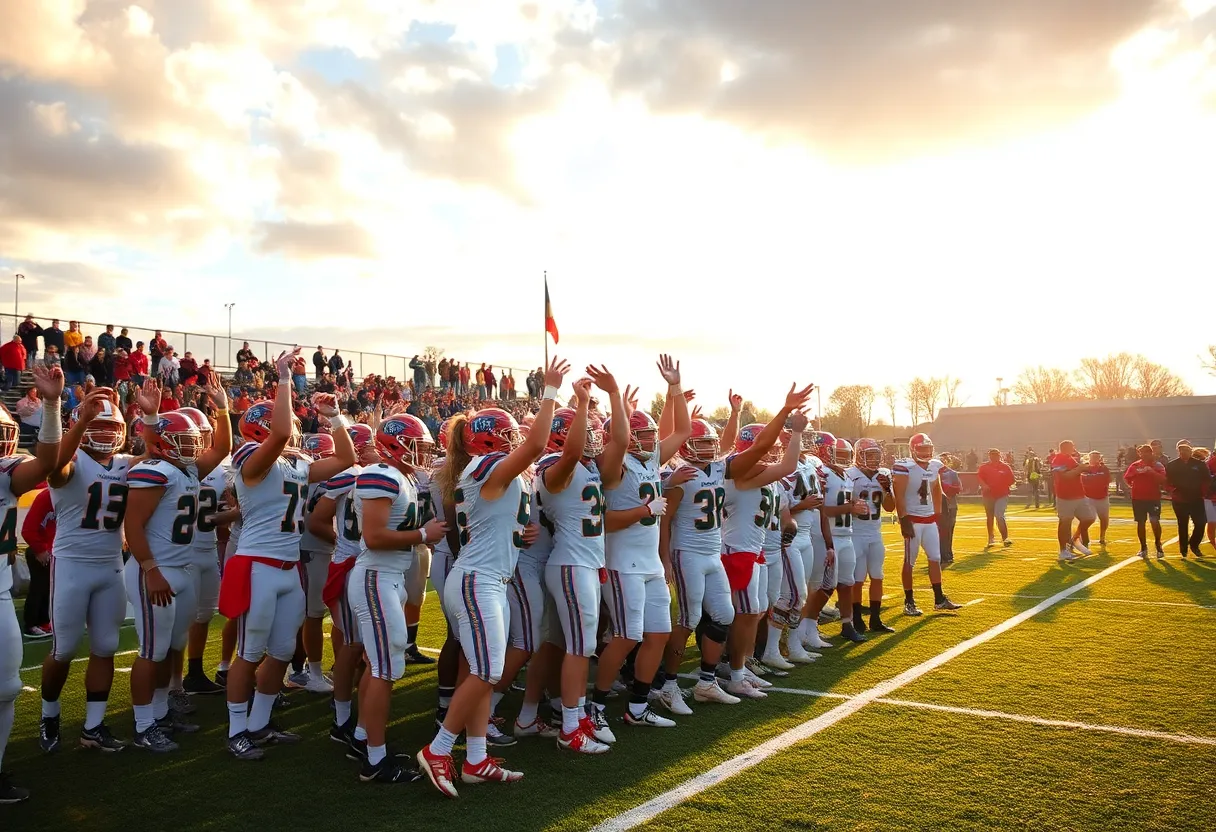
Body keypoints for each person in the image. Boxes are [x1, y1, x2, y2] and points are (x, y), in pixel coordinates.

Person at [417, 356, 569, 798]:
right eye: (507, 436)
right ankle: (440, 748)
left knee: (480, 670)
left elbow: (497, 526)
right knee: (487, 669)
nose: (514, 441)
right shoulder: (482, 467)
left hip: (488, 578)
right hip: (477, 580)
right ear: (486, 441)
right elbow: (537, 445)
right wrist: (550, 393)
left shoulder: (488, 473)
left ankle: (477, 758)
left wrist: (520, 533)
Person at [217, 349, 355, 761]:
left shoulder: (294, 465)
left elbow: (345, 459)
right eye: (288, 426)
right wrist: (281, 379)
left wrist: (335, 419)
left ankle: (259, 723)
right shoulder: (249, 460)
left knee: (279, 652)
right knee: (250, 652)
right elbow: (277, 437)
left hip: (287, 566)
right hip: (256, 565)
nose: (293, 432)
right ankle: (236, 728)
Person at [121, 382, 230, 752]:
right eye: (183, 440)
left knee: (170, 647)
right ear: (165, 442)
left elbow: (220, 448)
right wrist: (150, 569)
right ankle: (142, 726)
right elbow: (132, 525)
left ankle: (159, 712)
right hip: (159, 571)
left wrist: (222, 409)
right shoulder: (154, 471)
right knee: (152, 650)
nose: (193, 446)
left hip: (181, 569)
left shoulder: (184, 471)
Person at [594, 360, 693, 730]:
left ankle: (637, 706)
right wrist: (643, 510)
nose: (652, 441)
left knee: (659, 634)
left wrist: (676, 387)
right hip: (621, 562)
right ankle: (597, 708)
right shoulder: (614, 463)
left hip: (648, 561)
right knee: (626, 636)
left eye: (652, 435)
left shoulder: (649, 459)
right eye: (645, 435)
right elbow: (603, 522)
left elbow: (683, 429)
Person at [347, 414, 444, 782]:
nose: (422, 451)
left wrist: (421, 535)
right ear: (393, 443)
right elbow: (373, 537)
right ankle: (374, 762)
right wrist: (421, 534)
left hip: (389, 577)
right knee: (385, 668)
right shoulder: (380, 474)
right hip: (375, 577)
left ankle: (362, 738)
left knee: (380, 665)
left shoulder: (400, 476)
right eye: (417, 444)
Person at [38, 378, 131, 754]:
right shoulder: (71, 463)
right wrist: (79, 421)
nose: (106, 433)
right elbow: (54, 466)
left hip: (111, 566)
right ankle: (49, 714)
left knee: (106, 647)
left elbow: (163, 459)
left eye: (112, 426)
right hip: (73, 565)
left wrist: (154, 416)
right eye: (98, 425)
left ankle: (93, 726)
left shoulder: (127, 465)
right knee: (63, 649)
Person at [537, 368, 626, 752]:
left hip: (586, 564)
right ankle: (570, 727)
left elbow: (620, 440)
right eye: (585, 430)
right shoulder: (551, 469)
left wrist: (615, 395)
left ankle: (574, 716)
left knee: (579, 646)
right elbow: (571, 452)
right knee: (579, 648)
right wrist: (582, 402)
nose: (594, 439)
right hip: (571, 564)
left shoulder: (590, 468)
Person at [0, 364, 66, 803]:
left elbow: (47, 460)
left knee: (6, 686)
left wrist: (51, 404)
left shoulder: (7, 472)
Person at [180, 406, 236, 696]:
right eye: (195, 435)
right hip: (180, 552)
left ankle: (195, 672)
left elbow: (226, 512)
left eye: (204, 434)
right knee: (178, 622)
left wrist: (221, 515)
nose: (199, 441)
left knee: (203, 615)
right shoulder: (173, 467)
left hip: (208, 548)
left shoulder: (219, 469)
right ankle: (171, 685)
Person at [893, 433, 962, 615]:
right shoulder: (905, 467)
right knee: (910, 562)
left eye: (928, 449)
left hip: (930, 519)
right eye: (922, 449)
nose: (925, 453)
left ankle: (939, 599)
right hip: (913, 520)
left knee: (935, 558)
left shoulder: (935, 465)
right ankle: (909, 602)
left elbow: (937, 488)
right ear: (913, 449)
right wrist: (903, 519)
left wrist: (938, 514)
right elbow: (898, 495)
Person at [843, 438, 896, 636]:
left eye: (876, 455)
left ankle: (875, 618)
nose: (874, 459)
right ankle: (856, 617)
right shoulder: (850, 475)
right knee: (857, 579)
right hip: (856, 533)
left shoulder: (883, 474)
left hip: (875, 532)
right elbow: (843, 503)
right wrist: (852, 506)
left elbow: (890, 507)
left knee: (878, 576)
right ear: (858, 455)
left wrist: (887, 489)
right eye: (869, 455)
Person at [1050, 440, 1095, 563]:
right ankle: (1063, 550)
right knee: (1065, 522)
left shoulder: (1070, 458)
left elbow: (1078, 471)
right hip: (1065, 496)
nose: (1074, 448)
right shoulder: (1058, 459)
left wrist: (1087, 467)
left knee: (1089, 518)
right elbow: (1065, 476)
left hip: (1079, 494)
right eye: (1071, 447)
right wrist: (1080, 468)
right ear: (1065, 448)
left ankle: (1074, 539)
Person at [1165, 440, 1210, 559]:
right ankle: (1183, 549)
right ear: (1178, 452)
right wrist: (1172, 491)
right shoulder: (1173, 465)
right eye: (1181, 451)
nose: (1183, 453)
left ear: (1191, 451)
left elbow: (1207, 480)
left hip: (1196, 498)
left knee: (1201, 523)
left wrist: (1204, 493)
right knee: (1182, 524)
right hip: (1180, 499)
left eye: (1186, 450)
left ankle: (1194, 544)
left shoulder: (1199, 464)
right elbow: (1167, 481)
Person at [20, 487, 55, 639]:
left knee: (50, 588)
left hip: (55, 550)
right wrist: (40, 549)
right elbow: (28, 529)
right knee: (39, 587)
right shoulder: (46, 497)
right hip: (41, 550)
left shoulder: (69, 495)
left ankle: (44, 621)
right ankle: (32, 624)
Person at [1125, 445, 1167, 560]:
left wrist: (1151, 472)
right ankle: (1143, 547)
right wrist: (1134, 486)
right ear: (1139, 453)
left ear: (1151, 453)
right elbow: (1127, 478)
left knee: (1154, 521)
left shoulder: (1157, 465)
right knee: (1140, 522)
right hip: (1138, 498)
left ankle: (1158, 545)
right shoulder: (1135, 465)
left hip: (1153, 498)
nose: (1145, 454)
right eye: (1142, 452)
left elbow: (1163, 479)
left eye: (1147, 452)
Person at [977, 448, 1015, 547]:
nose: (994, 457)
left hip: (1002, 494)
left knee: (999, 515)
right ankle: (991, 538)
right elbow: (980, 478)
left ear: (999, 455)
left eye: (996, 455)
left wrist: (1002, 484)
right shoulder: (984, 467)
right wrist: (984, 485)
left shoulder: (1005, 467)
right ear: (989, 456)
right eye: (992, 455)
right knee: (989, 517)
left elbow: (1011, 480)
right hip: (988, 495)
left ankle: (1005, 537)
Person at [1078, 451, 1112, 549]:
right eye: (1093, 457)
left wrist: (1093, 479)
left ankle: (1102, 536)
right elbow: (1083, 481)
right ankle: (1081, 537)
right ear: (1089, 458)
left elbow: (1107, 480)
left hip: (1102, 497)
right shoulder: (1085, 469)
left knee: (1104, 518)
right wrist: (1096, 479)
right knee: (1087, 519)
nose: (1095, 460)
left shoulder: (1104, 468)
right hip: (1088, 497)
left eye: (1097, 457)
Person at [937, 454, 962, 567]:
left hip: (950, 506)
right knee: (937, 533)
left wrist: (945, 488)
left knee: (948, 532)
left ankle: (947, 555)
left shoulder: (952, 473)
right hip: (937, 507)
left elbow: (958, 488)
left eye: (943, 460)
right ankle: (939, 555)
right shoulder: (932, 473)